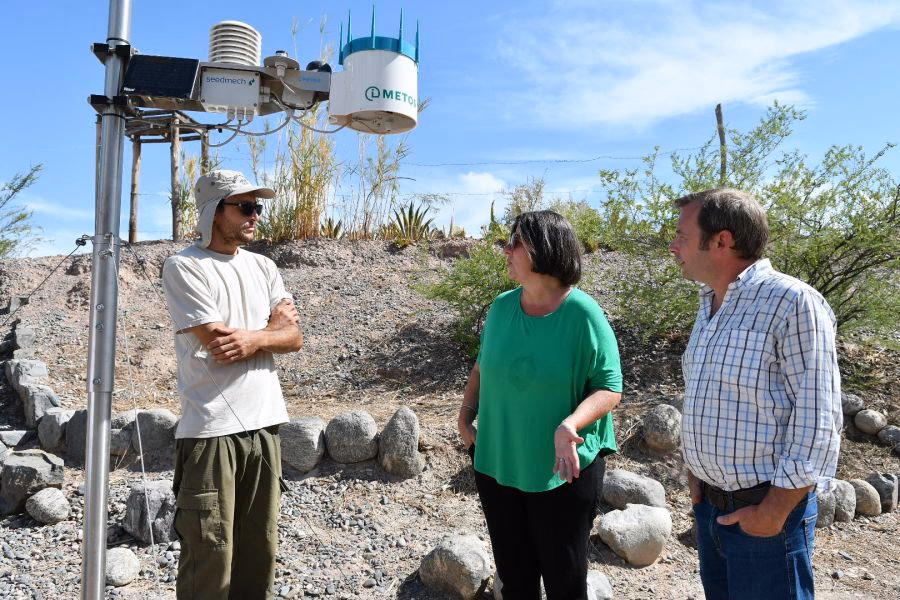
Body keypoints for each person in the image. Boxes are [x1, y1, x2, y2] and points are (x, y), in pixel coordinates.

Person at [669, 188, 842, 600]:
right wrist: (698, 473)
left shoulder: (793, 301)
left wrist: (775, 511)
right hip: (712, 507)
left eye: (681, 236)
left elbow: (819, 417)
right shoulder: (709, 301)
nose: (673, 246)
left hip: (765, 515)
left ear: (722, 241)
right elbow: (710, 395)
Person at [457, 210, 623, 600]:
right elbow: (484, 366)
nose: (506, 250)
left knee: (565, 582)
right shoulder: (501, 307)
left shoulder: (583, 313)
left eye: (516, 242)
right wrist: (466, 417)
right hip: (498, 461)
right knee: (515, 580)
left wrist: (571, 424)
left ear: (545, 250)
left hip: (562, 471)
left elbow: (609, 387)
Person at [161, 169, 303, 599]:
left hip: (265, 428)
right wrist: (268, 333)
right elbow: (220, 345)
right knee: (210, 560)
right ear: (213, 210)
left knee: (258, 554)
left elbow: (293, 338)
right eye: (244, 206)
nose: (255, 215)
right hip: (211, 432)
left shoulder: (264, 266)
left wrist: (254, 338)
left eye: (257, 207)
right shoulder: (184, 266)